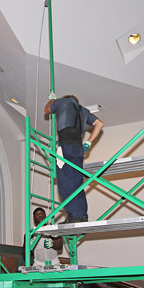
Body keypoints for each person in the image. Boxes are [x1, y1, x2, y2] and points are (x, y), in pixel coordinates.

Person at [44, 93, 104, 223]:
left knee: (65, 183)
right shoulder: (83, 110)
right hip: (78, 149)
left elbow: (47, 110)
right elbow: (99, 124)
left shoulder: (61, 102)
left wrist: (52, 100)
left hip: (66, 146)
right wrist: (89, 142)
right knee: (77, 183)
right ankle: (82, 215)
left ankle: (74, 216)